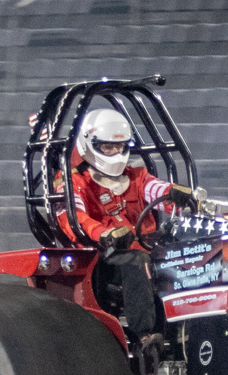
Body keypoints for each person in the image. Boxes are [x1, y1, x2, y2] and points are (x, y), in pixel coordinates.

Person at [63, 107, 201, 353]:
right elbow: (76, 218)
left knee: (187, 253)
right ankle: (145, 336)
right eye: (108, 147)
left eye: (121, 147)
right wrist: (103, 234)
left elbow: (158, 189)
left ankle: (192, 328)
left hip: (144, 250)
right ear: (90, 145)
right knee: (138, 261)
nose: (116, 153)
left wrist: (175, 193)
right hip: (101, 259)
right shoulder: (76, 183)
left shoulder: (137, 177)